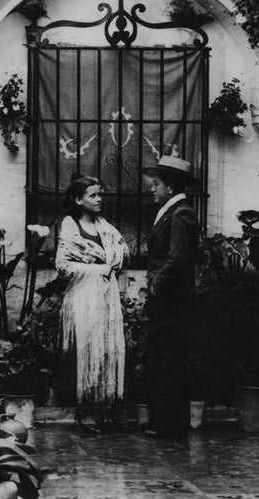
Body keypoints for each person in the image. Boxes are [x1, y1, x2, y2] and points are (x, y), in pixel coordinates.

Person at [55, 175, 128, 429]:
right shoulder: (69, 226)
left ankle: (106, 409)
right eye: (93, 195)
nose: (99, 199)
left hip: (107, 296)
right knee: (86, 351)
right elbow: (63, 266)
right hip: (83, 297)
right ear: (78, 199)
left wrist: (109, 265)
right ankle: (85, 410)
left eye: (100, 194)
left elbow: (119, 253)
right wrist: (100, 269)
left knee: (108, 350)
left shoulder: (106, 227)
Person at [140, 155, 201, 438]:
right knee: (161, 357)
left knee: (168, 359)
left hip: (172, 300)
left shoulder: (181, 213)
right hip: (166, 299)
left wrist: (156, 284)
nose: (153, 189)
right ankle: (161, 421)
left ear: (170, 187)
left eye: (156, 184)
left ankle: (169, 424)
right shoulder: (170, 211)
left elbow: (178, 259)